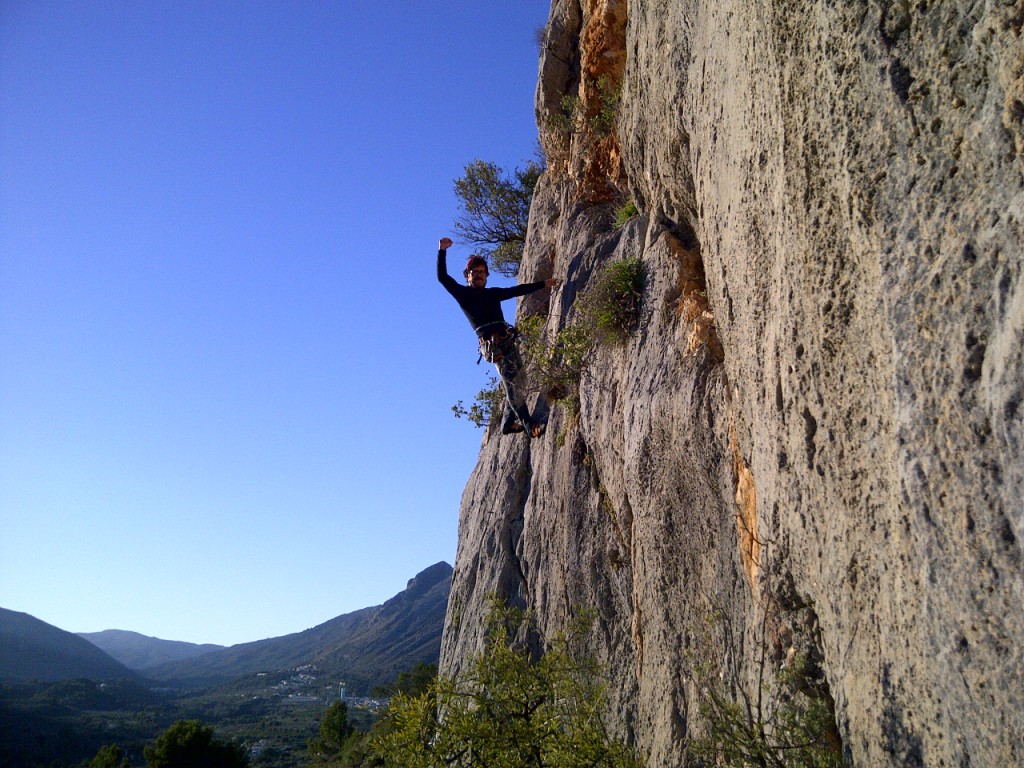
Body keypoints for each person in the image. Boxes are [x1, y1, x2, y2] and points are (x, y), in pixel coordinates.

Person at [437, 237, 558, 437]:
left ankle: (507, 423)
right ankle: (529, 424)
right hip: (494, 347)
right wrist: (442, 251)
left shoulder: (492, 293)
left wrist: (544, 284)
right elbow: (443, 278)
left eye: (482, 273)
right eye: (474, 273)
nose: (478, 276)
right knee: (512, 384)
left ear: (486, 276)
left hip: (507, 341)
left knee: (522, 382)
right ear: (467, 276)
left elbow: (517, 290)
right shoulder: (463, 294)